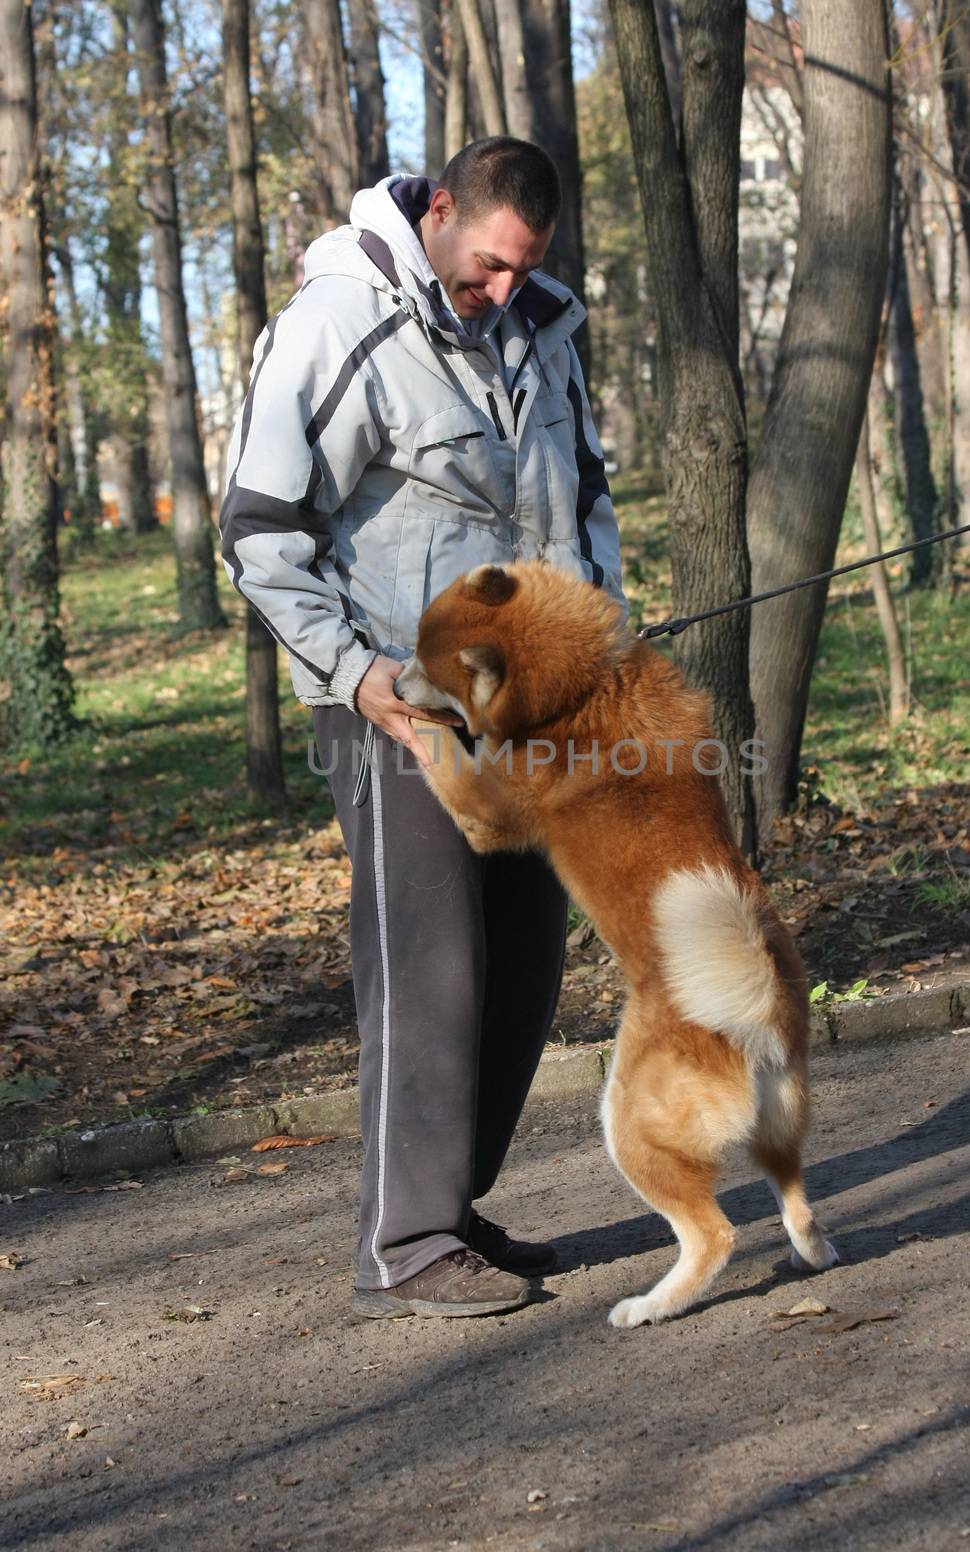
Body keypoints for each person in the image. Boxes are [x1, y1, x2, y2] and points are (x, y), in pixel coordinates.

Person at [219, 136, 625, 1319]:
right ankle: (403, 1238)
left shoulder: (543, 328)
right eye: (489, 263)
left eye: (522, 269)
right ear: (440, 209)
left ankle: (453, 1201)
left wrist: (590, 639)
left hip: (527, 710)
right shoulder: (339, 321)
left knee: (524, 960)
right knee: (430, 966)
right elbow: (258, 530)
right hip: (396, 713)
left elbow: (584, 498)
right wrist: (358, 678)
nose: (501, 290)